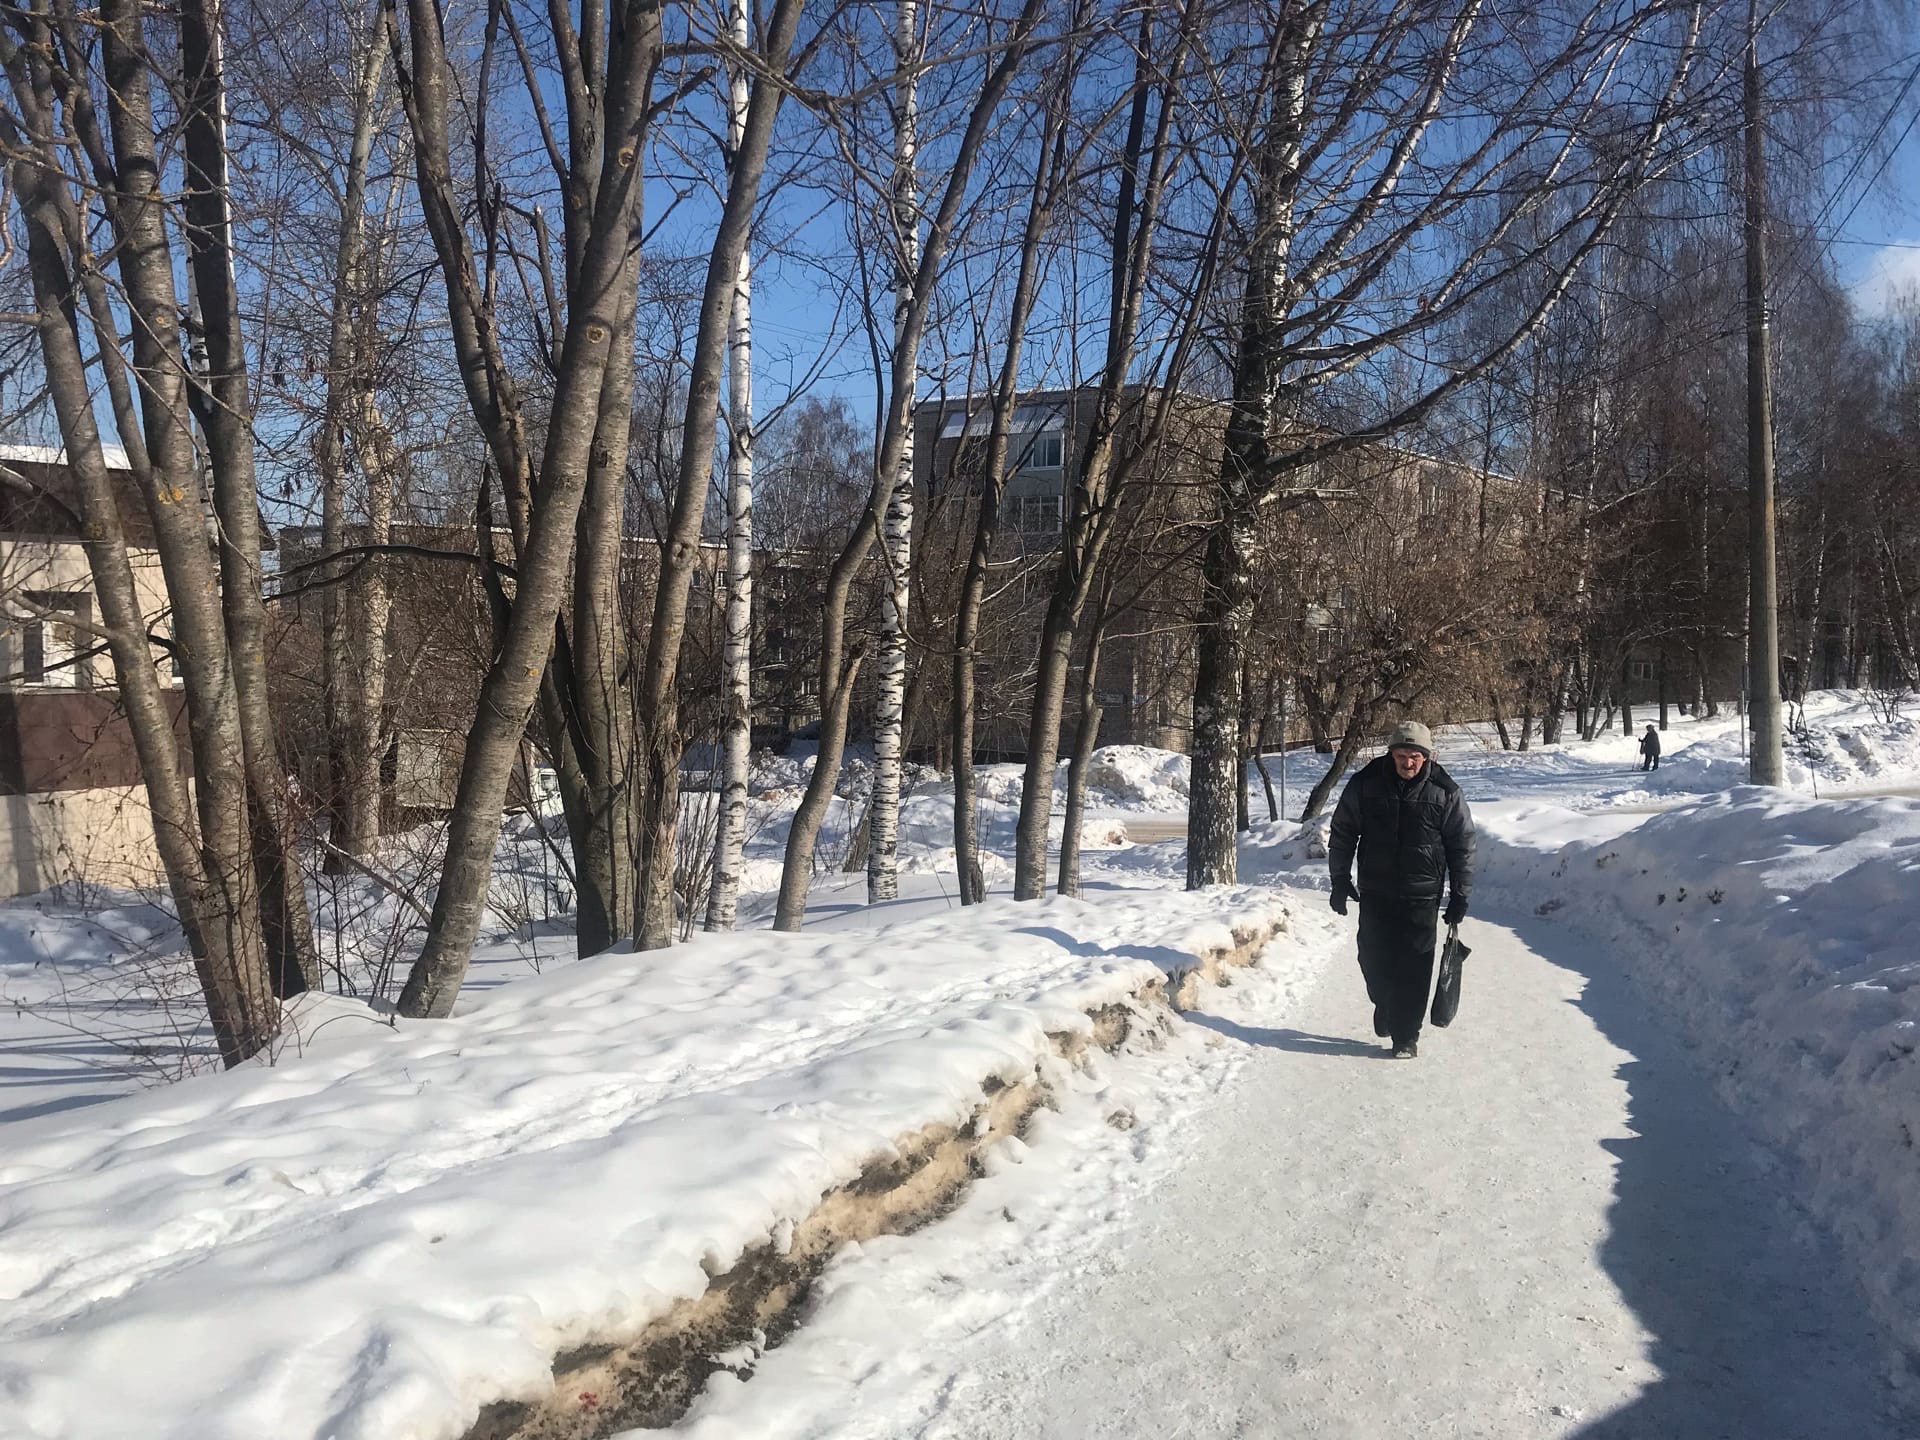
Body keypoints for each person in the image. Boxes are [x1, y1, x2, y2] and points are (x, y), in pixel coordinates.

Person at [1327, 721, 1474, 1059]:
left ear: (1427, 757)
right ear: (1390, 753)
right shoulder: (1365, 784)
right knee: (1372, 958)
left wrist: (1460, 895)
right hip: (1376, 891)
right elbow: (1343, 831)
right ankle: (1385, 1002)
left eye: (1415, 757)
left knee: (1415, 966)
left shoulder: (1444, 790)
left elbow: (1462, 845)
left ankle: (1406, 1036)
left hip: (1422, 895)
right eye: (1402, 755)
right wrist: (1339, 879)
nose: (1408, 763)